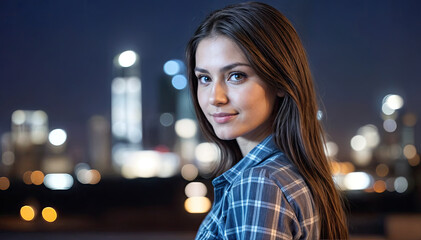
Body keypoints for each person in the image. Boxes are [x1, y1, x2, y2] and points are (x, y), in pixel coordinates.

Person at [186, 2, 348, 239]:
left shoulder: (259, 184)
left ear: (280, 82)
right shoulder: (289, 172)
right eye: (204, 78)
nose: (215, 97)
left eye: (236, 76)